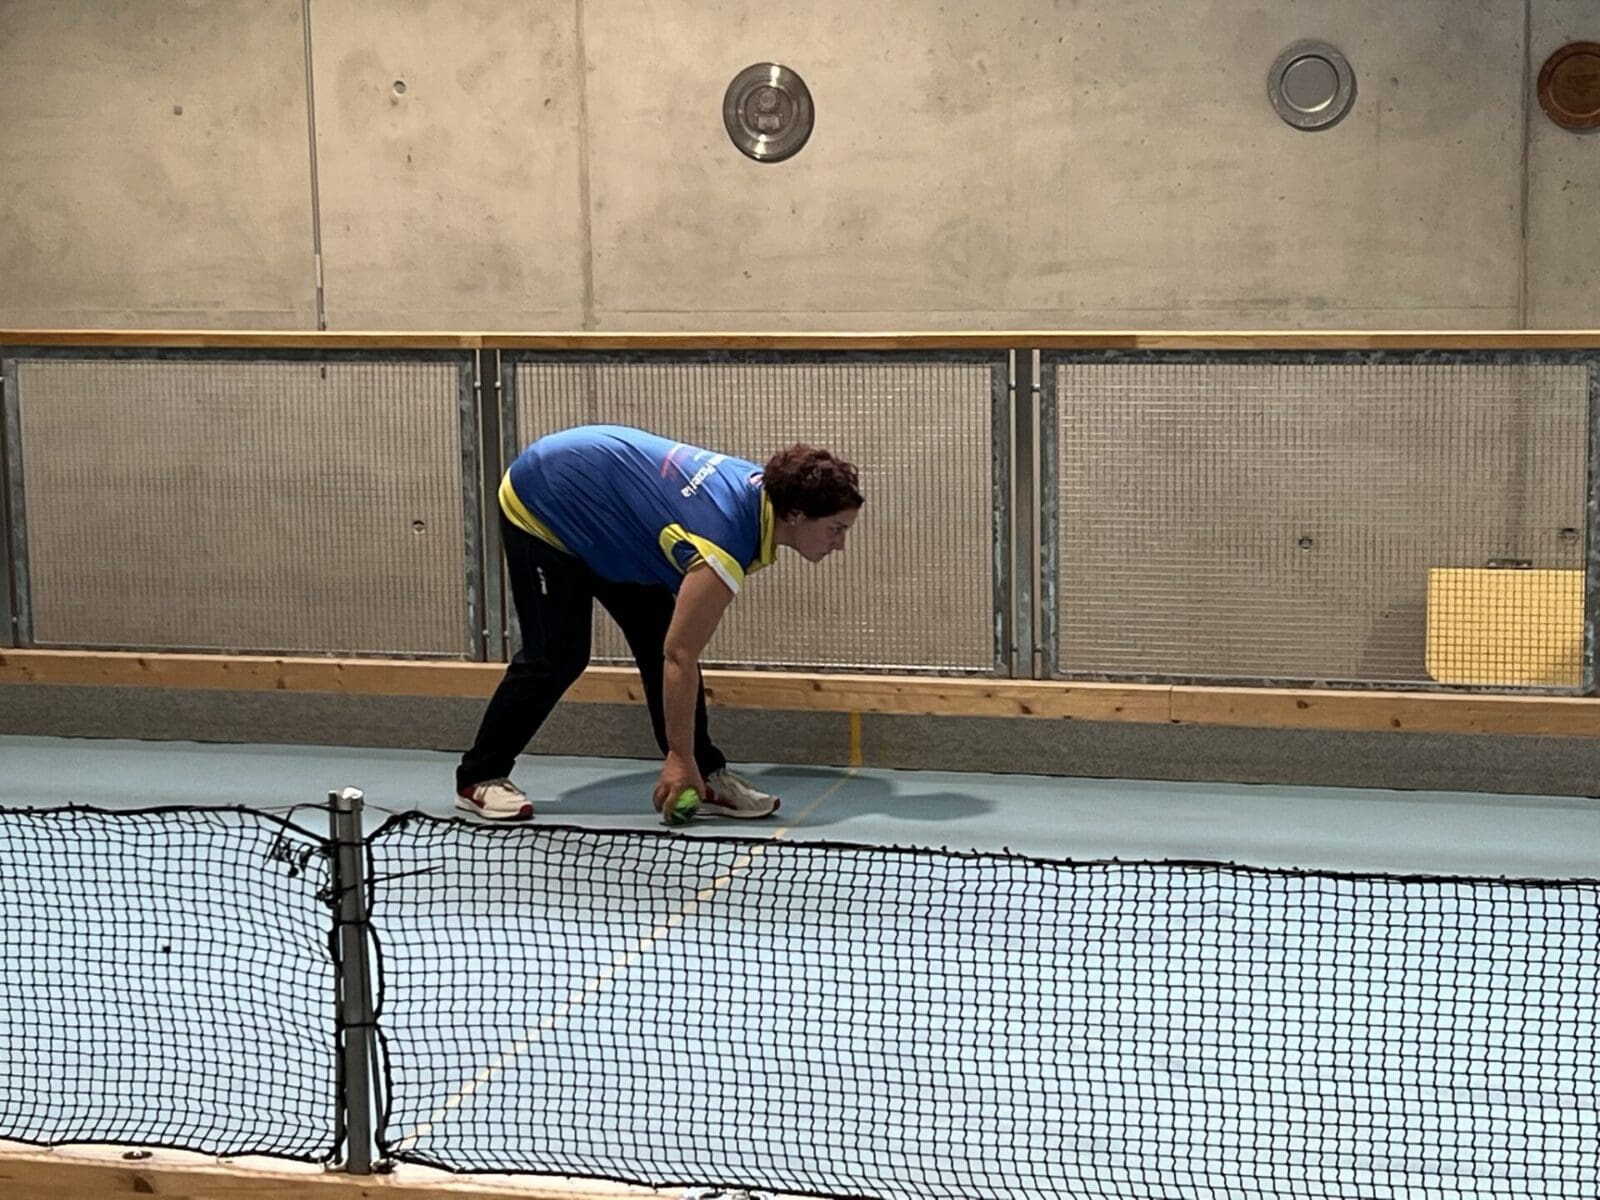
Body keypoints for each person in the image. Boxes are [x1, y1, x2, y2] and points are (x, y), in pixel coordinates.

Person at [456, 423, 863, 823]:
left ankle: (703, 774)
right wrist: (677, 757)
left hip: (615, 519)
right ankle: (479, 776)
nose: (840, 544)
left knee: (660, 639)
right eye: (836, 529)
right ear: (795, 515)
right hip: (546, 496)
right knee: (558, 655)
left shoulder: (768, 494)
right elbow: (680, 656)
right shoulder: (723, 540)